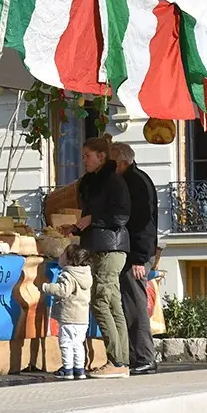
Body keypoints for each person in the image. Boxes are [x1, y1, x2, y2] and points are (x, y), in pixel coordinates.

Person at [67, 136, 131, 379]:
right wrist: (76, 228)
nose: (84, 160)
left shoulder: (113, 181)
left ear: (101, 157)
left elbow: (120, 215)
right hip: (102, 246)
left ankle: (116, 361)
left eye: (87, 156)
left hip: (109, 249)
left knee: (101, 302)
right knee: (113, 305)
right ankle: (122, 360)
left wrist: (92, 219)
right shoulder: (94, 182)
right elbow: (94, 215)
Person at [107, 141, 159, 375]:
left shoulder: (135, 183)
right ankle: (135, 356)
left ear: (122, 162)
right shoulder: (134, 179)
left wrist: (139, 258)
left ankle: (144, 357)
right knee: (130, 305)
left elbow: (143, 223)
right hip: (133, 253)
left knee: (135, 305)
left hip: (136, 255)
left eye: (112, 162)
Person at [41, 244, 93, 380]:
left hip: (69, 316)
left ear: (69, 260)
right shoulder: (86, 275)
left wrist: (46, 287)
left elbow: (63, 291)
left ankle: (67, 368)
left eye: (63, 254)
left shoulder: (68, 275)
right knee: (78, 344)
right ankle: (79, 369)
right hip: (82, 318)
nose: (60, 256)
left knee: (66, 342)